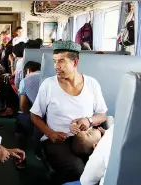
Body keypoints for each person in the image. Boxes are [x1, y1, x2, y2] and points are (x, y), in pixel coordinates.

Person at [30, 40, 108, 184]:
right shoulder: (49, 85)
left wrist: (88, 120)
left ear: (75, 63)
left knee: (103, 168)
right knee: (78, 170)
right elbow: (35, 115)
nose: (56, 67)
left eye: (61, 61)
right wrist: (50, 133)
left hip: (86, 138)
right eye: (54, 61)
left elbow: (102, 115)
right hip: (58, 140)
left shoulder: (92, 84)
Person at [14, 61, 41, 169]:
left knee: (20, 119)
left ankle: (21, 156)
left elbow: (23, 107)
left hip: (38, 120)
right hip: (56, 119)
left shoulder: (25, 81)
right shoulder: (52, 78)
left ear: (28, 71)